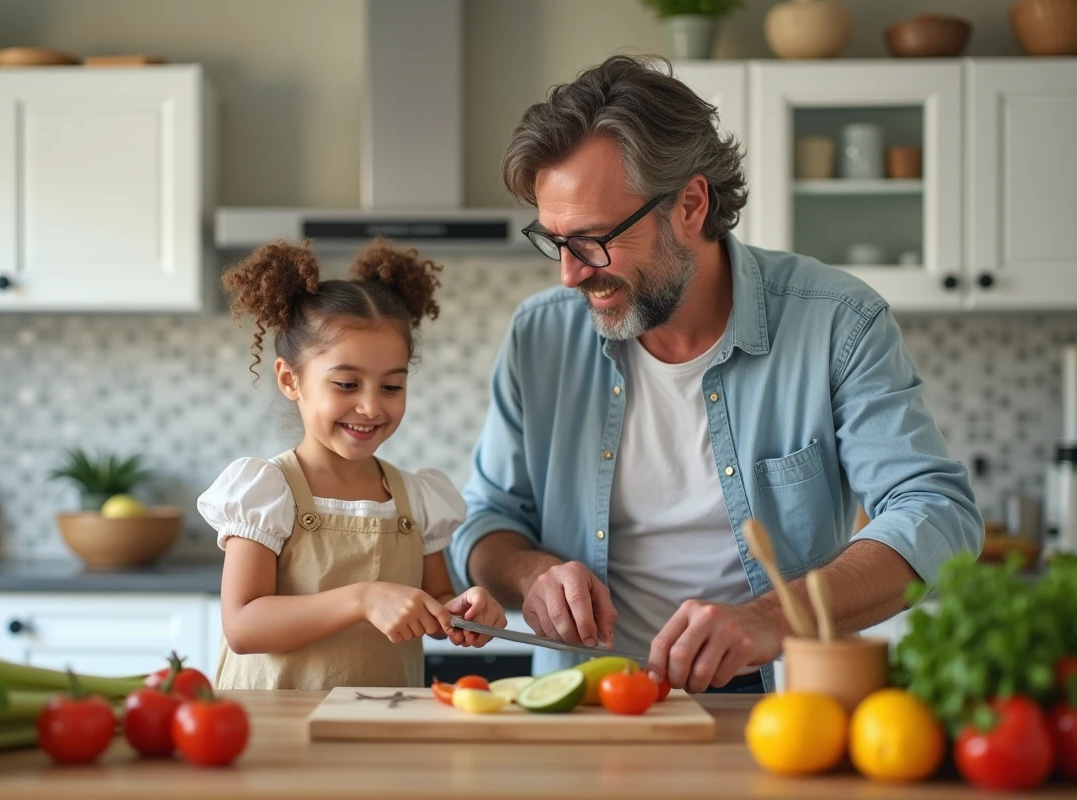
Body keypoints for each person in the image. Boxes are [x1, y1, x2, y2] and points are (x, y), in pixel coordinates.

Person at [449, 54, 983, 694]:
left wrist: (771, 619)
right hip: (587, 704)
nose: (570, 275)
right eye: (555, 242)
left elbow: (936, 512)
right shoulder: (540, 337)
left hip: (779, 709)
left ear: (691, 205)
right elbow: (485, 524)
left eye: (592, 241)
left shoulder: (837, 322)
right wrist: (534, 574)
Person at [200, 238, 507, 690]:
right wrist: (363, 599)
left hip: (381, 731)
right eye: (346, 384)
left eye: (391, 387)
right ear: (290, 380)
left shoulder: (418, 499)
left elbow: (435, 600)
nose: (370, 407)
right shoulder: (266, 491)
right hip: (275, 733)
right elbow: (244, 626)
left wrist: (464, 610)